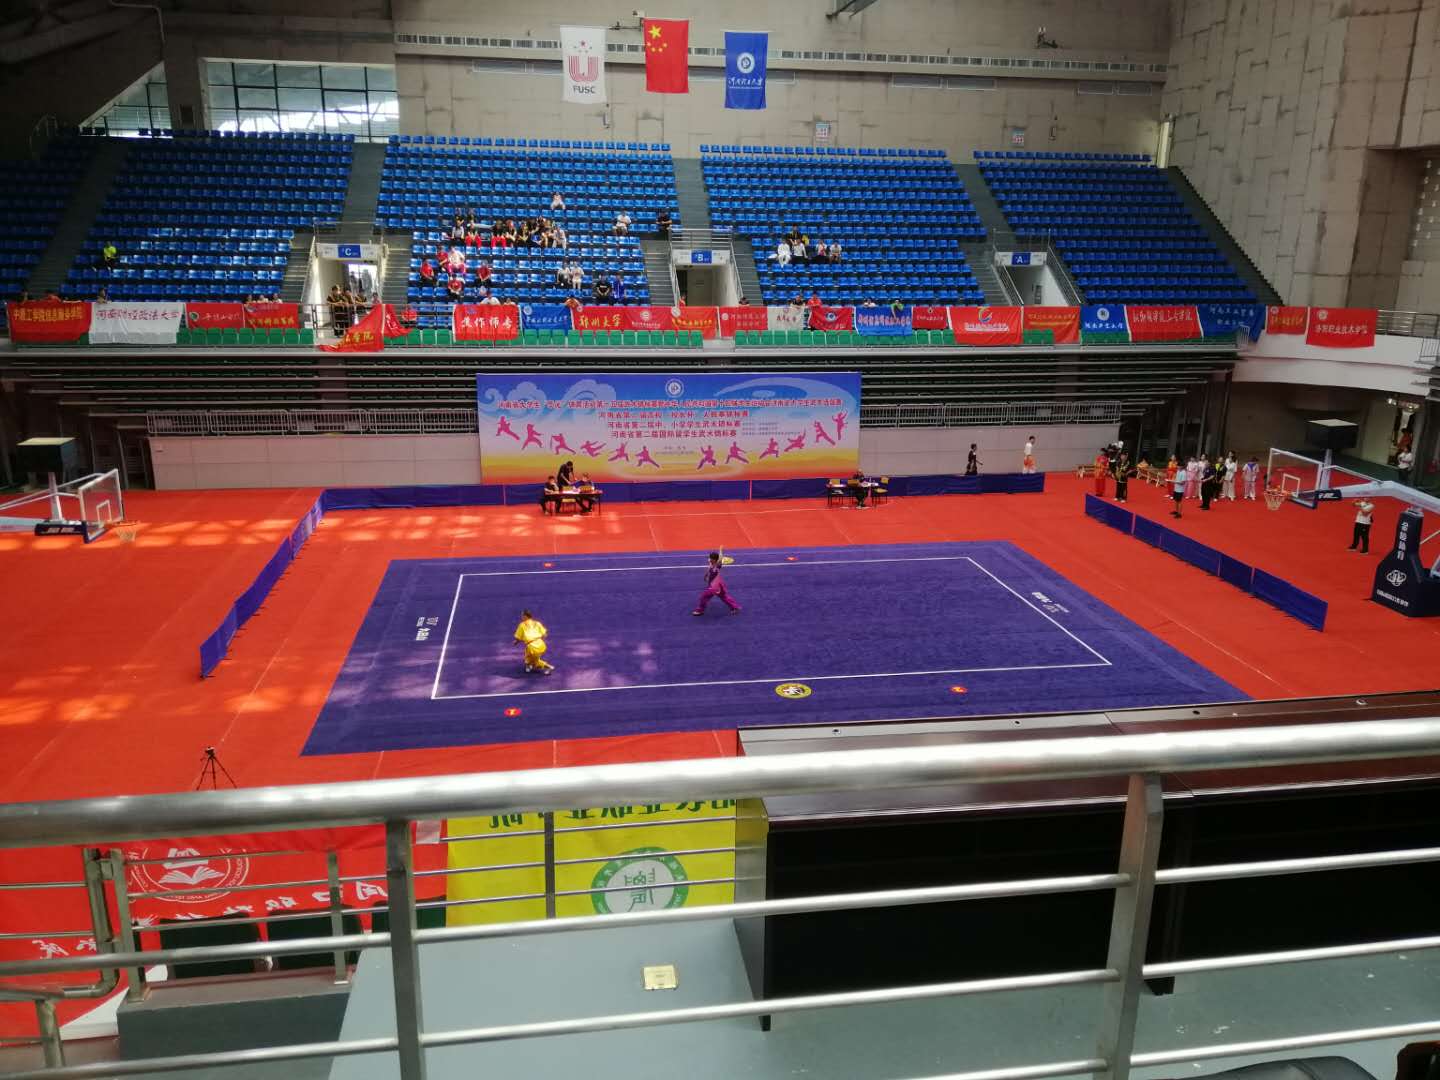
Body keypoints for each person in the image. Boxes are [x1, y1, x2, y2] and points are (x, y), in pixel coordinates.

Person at [693, 551, 741, 616]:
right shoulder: (711, 562)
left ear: (715, 559)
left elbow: (720, 559)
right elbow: (709, 568)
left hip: (714, 586)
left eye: (711, 558)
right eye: (709, 558)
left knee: (704, 597)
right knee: (724, 596)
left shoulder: (718, 565)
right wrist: (706, 575)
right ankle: (735, 607)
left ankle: (700, 611)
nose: (709, 559)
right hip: (717, 584)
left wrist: (720, 552)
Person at [513, 609, 554, 675]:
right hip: (541, 644)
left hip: (532, 647)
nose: (521, 617)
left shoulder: (522, 625)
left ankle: (549, 667)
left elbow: (518, 637)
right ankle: (528, 666)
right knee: (528, 655)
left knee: (535, 661)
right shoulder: (537, 623)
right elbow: (545, 635)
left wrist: (515, 642)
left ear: (525, 616)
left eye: (522, 615)